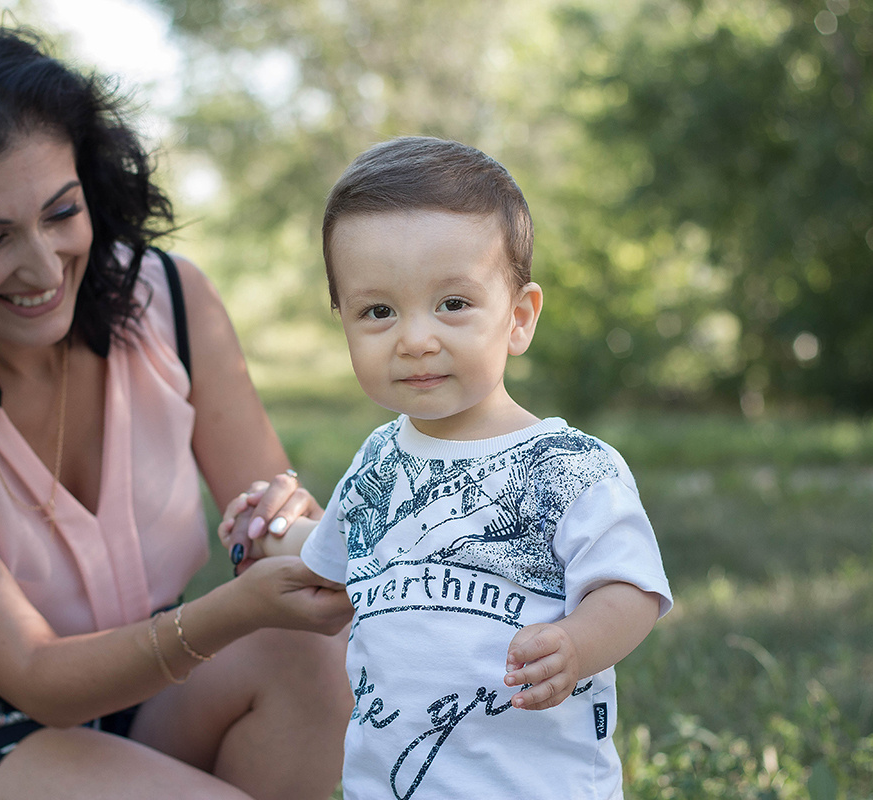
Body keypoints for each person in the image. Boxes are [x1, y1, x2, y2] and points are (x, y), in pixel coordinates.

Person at [0, 26, 352, 800]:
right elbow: (38, 678)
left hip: (151, 681)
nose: (42, 266)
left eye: (62, 213)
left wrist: (295, 537)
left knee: (314, 657)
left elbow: (266, 539)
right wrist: (233, 609)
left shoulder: (172, 300)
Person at [260, 136, 674, 799]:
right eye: (378, 310)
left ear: (518, 317)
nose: (415, 337)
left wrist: (577, 644)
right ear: (343, 322)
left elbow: (631, 590)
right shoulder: (376, 464)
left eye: (452, 303)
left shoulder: (568, 468)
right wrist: (269, 531)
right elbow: (329, 562)